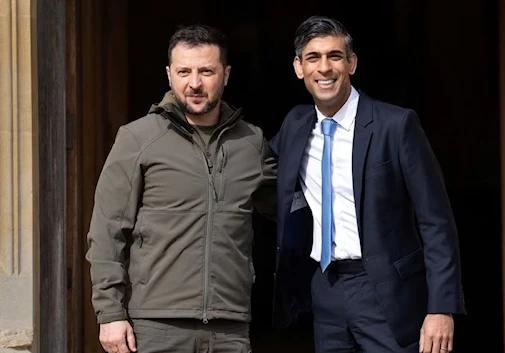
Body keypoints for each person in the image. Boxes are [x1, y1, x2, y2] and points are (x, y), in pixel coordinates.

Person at [270, 15, 466, 353]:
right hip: (325, 289)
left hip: (388, 295)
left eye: (334, 56)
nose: (324, 68)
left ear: (352, 63)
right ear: (299, 68)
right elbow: (253, 163)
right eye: (313, 58)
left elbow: (436, 222)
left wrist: (440, 307)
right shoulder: (295, 125)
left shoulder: (396, 125)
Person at [86, 24, 276, 353]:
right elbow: (107, 230)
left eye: (206, 71)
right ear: (169, 74)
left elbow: (291, 206)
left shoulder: (251, 143)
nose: (195, 83)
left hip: (229, 327)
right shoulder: (138, 138)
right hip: (157, 326)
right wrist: (110, 313)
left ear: (226, 74)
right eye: (184, 71)